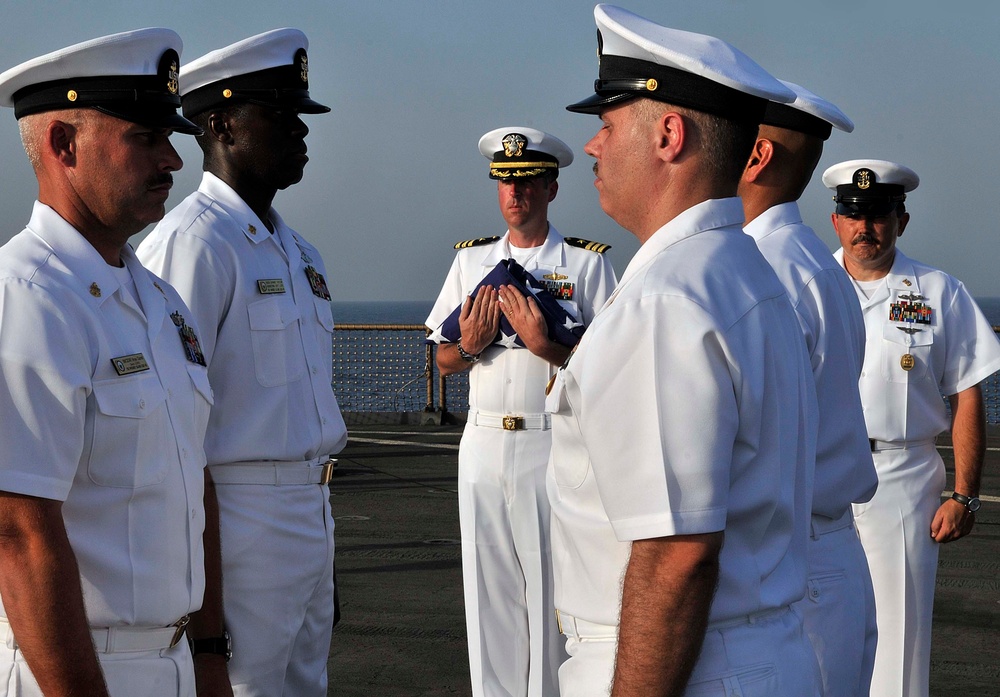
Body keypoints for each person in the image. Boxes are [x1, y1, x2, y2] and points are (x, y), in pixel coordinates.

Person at [548, 5, 823, 695]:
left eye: (607, 125)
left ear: (668, 133)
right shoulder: (743, 272)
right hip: (762, 649)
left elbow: (676, 555)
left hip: (686, 666)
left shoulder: (665, 301)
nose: (592, 147)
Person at [0, 29, 230, 696]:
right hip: (73, 668)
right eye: (144, 138)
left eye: (171, 137)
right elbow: (19, 535)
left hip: (173, 659)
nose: (173, 160)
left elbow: (194, 484)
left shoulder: (159, 301)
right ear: (63, 146)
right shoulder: (27, 300)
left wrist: (211, 659)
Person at [137, 29, 347, 697]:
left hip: (311, 506)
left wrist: (320, 555)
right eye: (281, 117)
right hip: (237, 517)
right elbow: (169, 427)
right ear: (222, 123)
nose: (300, 133)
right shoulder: (195, 245)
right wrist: (198, 604)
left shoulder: (302, 252)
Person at [425, 126, 617, 696]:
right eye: (506, 183)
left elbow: (609, 366)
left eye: (529, 182)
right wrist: (468, 345)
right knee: (488, 594)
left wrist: (548, 347)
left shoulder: (586, 266)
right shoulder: (472, 261)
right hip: (483, 444)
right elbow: (443, 359)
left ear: (552, 188)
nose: (516, 194)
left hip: (548, 442)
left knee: (549, 596)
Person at [824, 159, 1000, 697]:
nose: (864, 228)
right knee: (812, 633)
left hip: (901, 480)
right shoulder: (808, 287)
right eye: (853, 215)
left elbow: (967, 390)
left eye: (878, 215)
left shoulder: (939, 292)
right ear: (836, 222)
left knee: (898, 641)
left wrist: (964, 495)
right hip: (818, 477)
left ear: (902, 220)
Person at [738, 82, 879, 696]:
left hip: (794, 556)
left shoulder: (763, 271)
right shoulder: (814, 264)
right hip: (827, 548)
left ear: (757, 155)